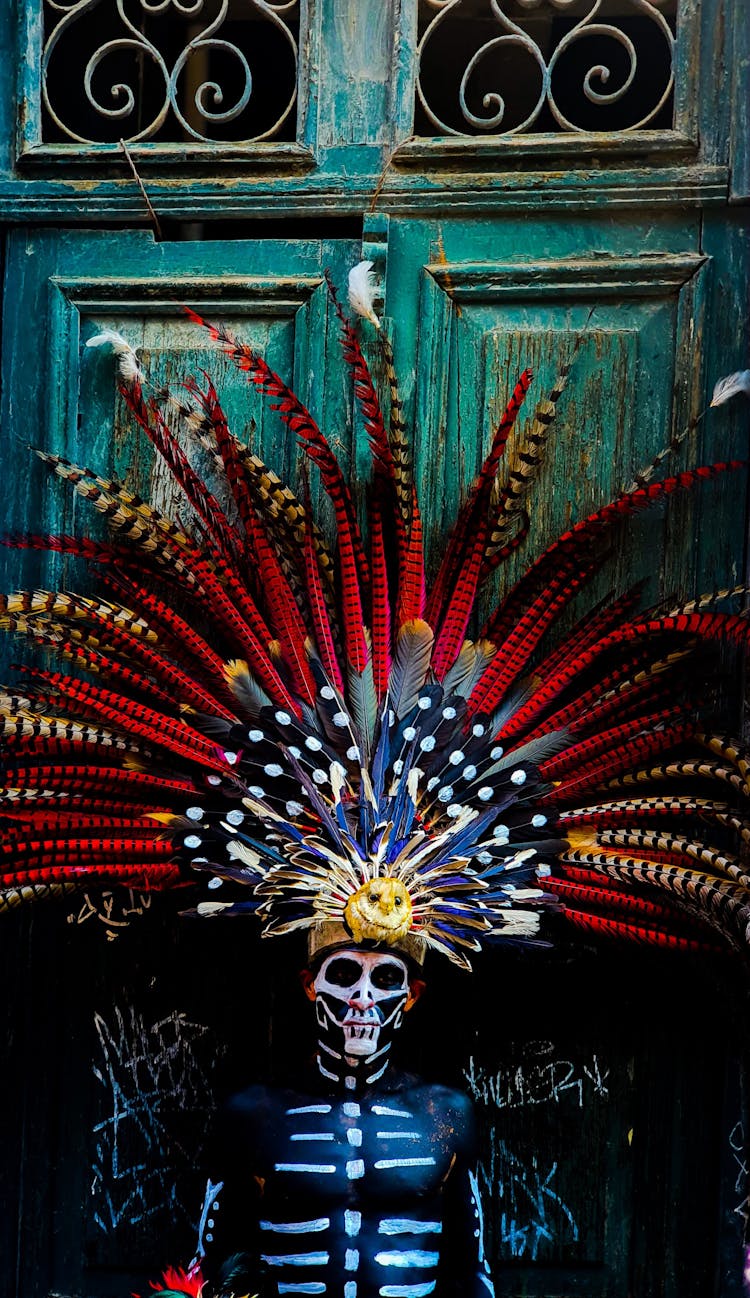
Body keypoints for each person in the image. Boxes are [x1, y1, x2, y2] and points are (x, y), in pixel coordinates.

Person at [204, 930, 495, 1298]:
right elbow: (210, 1262)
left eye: (385, 978)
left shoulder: (444, 1114)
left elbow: (473, 1269)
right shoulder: (255, 1114)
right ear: (310, 986)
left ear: (412, 995)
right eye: (343, 976)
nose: (362, 999)